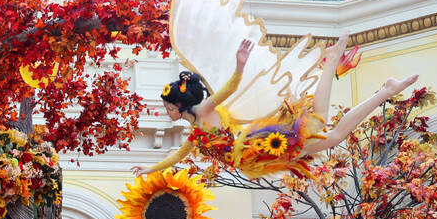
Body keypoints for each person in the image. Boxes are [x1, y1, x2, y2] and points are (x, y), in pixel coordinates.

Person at [136, 35, 418, 179]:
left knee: (326, 132)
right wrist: (149, 170)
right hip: (255, 158)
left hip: (257, 147)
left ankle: (367, 81)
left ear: (178, 105)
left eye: (168, 107)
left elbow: (230, 88)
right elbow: (175, 158)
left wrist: (240, 64)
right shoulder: (196, 132)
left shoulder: (206, 109)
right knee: (325, 129)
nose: (166, 112)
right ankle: (368, 81)